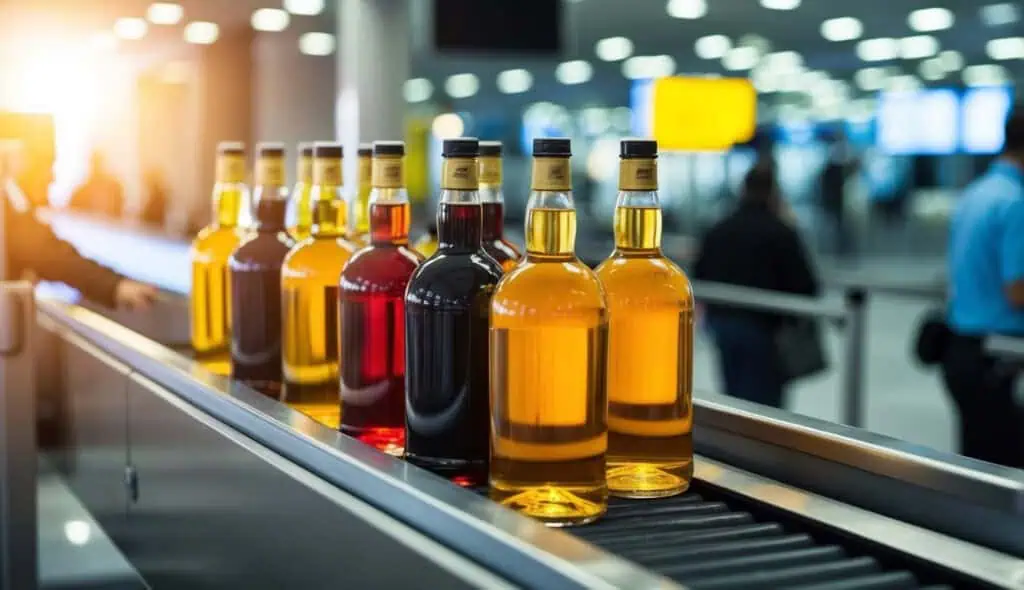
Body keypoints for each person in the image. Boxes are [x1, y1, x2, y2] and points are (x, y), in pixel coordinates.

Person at [694, 163, 820, 408]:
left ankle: (737, 441)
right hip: (765, 329)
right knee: (766, 405)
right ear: (773, 191)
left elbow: (701, 272)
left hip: (724, 325)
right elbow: (805, 283)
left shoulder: (720, 228)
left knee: (734, 394)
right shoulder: (781, 231)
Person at [942, 108, 1024, 468]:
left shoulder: (975, 194)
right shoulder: (1016, 203)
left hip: (961, 349)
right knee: (1004, 471)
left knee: (976, 466)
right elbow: (1017, 291)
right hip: (997, 355)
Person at [1, 142, 155, 310]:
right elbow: (48, 254)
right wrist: (113, 285)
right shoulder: (10, 201)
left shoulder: (13, 198)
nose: (51, 179)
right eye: (47, 169)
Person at [68, 150, 125, 219]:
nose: (97, 167)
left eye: (99, 163)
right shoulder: (81, 192)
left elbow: (120, 215)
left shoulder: (115, 189)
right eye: (95, 163)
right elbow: (72, 215)